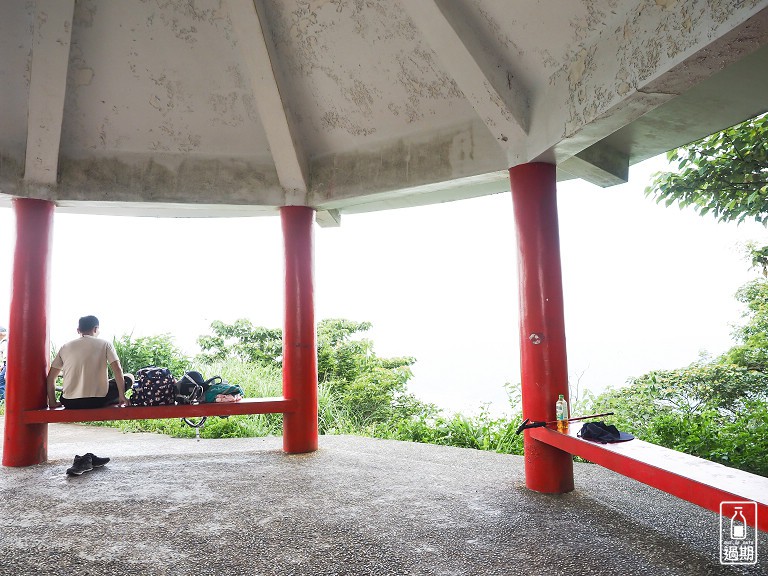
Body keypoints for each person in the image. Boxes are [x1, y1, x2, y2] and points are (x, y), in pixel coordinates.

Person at [46, 315, 131, 410]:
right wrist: (121, 395)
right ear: (95, 329)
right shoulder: (105, 344)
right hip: (98, 401)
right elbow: (117, 369)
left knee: (68, 393)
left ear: (78, 330)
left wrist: (52, 402)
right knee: (129, 377)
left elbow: (51, 378)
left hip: (69, 402)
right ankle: (114, 398)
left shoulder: (65, 347)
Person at [0, 325, 7, 400]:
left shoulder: (5, 342)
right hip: (6, 364)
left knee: (1, 381)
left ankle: (3, 400)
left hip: (8, 364)